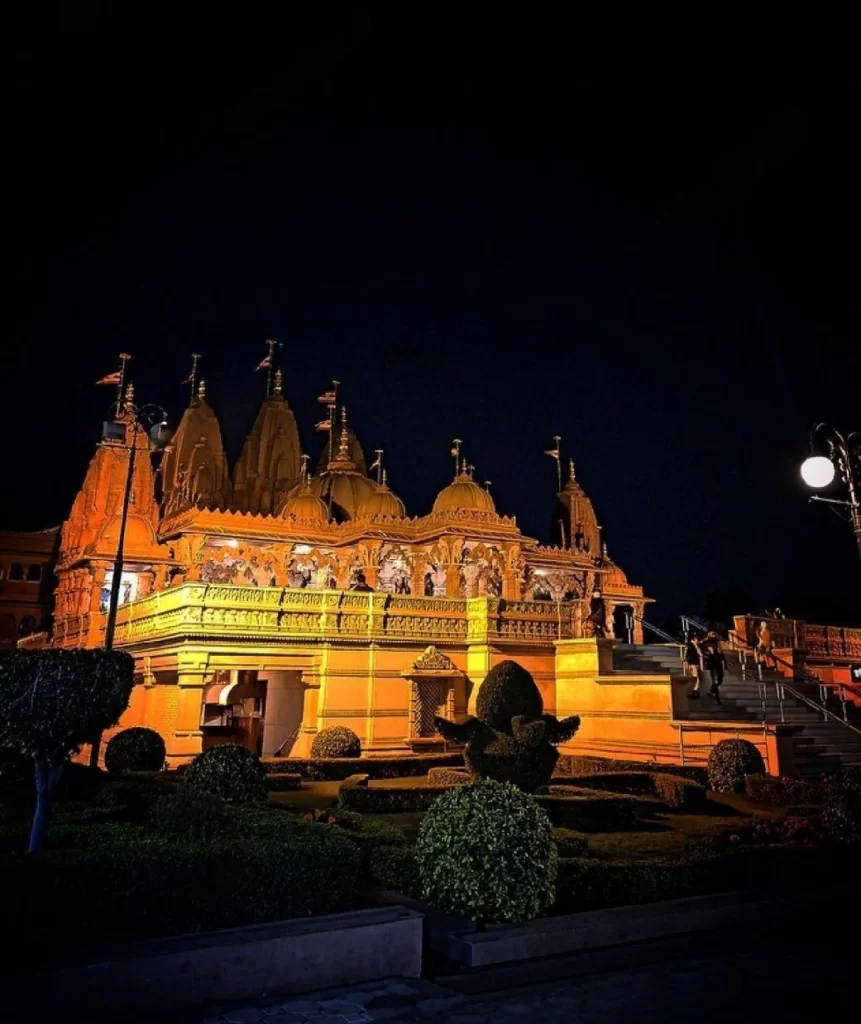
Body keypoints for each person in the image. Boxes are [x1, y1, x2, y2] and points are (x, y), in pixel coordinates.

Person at [700, 630, 726, 703]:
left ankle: (711, 691)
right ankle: (718, 699)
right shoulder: (705, 641)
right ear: (708, 634)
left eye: (714, 633)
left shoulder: (717, 641)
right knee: (714, 680)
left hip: (718, 662)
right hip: (711, 662)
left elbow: (721, 652)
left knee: (720, 679)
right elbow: (700, 647)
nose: (714, 635)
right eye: (712, 633)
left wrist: (725, 662)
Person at [685, 632, 703, 698]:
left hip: (697, 663)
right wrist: (688, 663)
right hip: (693, 663)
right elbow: (688, 655)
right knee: (696, 678)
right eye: (698, 639)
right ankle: (694, 691)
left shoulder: (696, 645)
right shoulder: (691, 645)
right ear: (695, 639)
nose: (698, 641)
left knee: (698, 678)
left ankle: (696, 691)